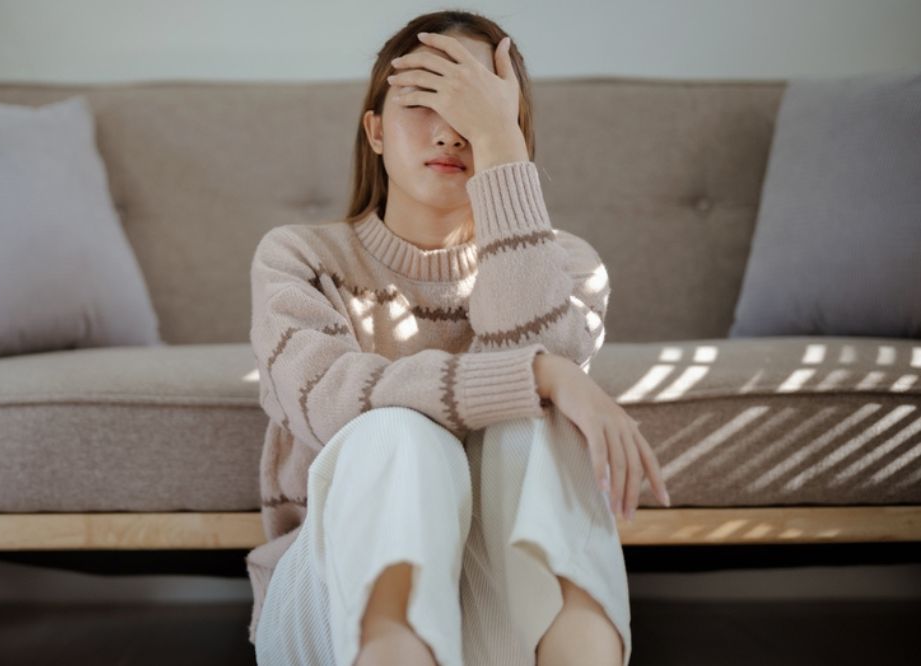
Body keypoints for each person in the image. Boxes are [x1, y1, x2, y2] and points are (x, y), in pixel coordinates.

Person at [245, 10, 671, 666]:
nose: (450, 131)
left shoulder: (569, 265)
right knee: (397, 433)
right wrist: (538, 375)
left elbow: (538, 360)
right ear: (376, 131)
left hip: (507, 610)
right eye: (423, 100)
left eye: (474, 106)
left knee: (540, 426)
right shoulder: (297, 257)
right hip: (332, 606)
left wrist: (502, 151)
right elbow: (329, 404)